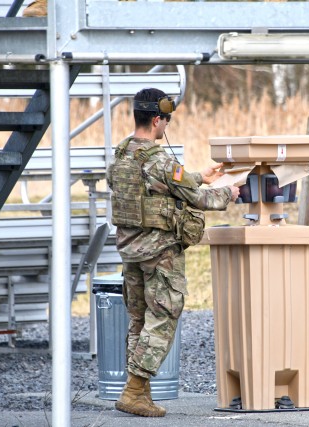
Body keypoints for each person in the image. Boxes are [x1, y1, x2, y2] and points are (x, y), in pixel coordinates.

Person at [106, 88, 239, 417]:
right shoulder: (160, 159)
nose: (167, 126)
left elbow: (156, 186)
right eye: (166, 120)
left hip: (130, 249)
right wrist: (230, 192)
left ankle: (139, 392)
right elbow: (198, 199)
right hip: (160, 250)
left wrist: (199, 176)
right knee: (164, 316)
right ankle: (134, 390)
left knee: (139, 319)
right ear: (156, 120)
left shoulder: (123, 153)